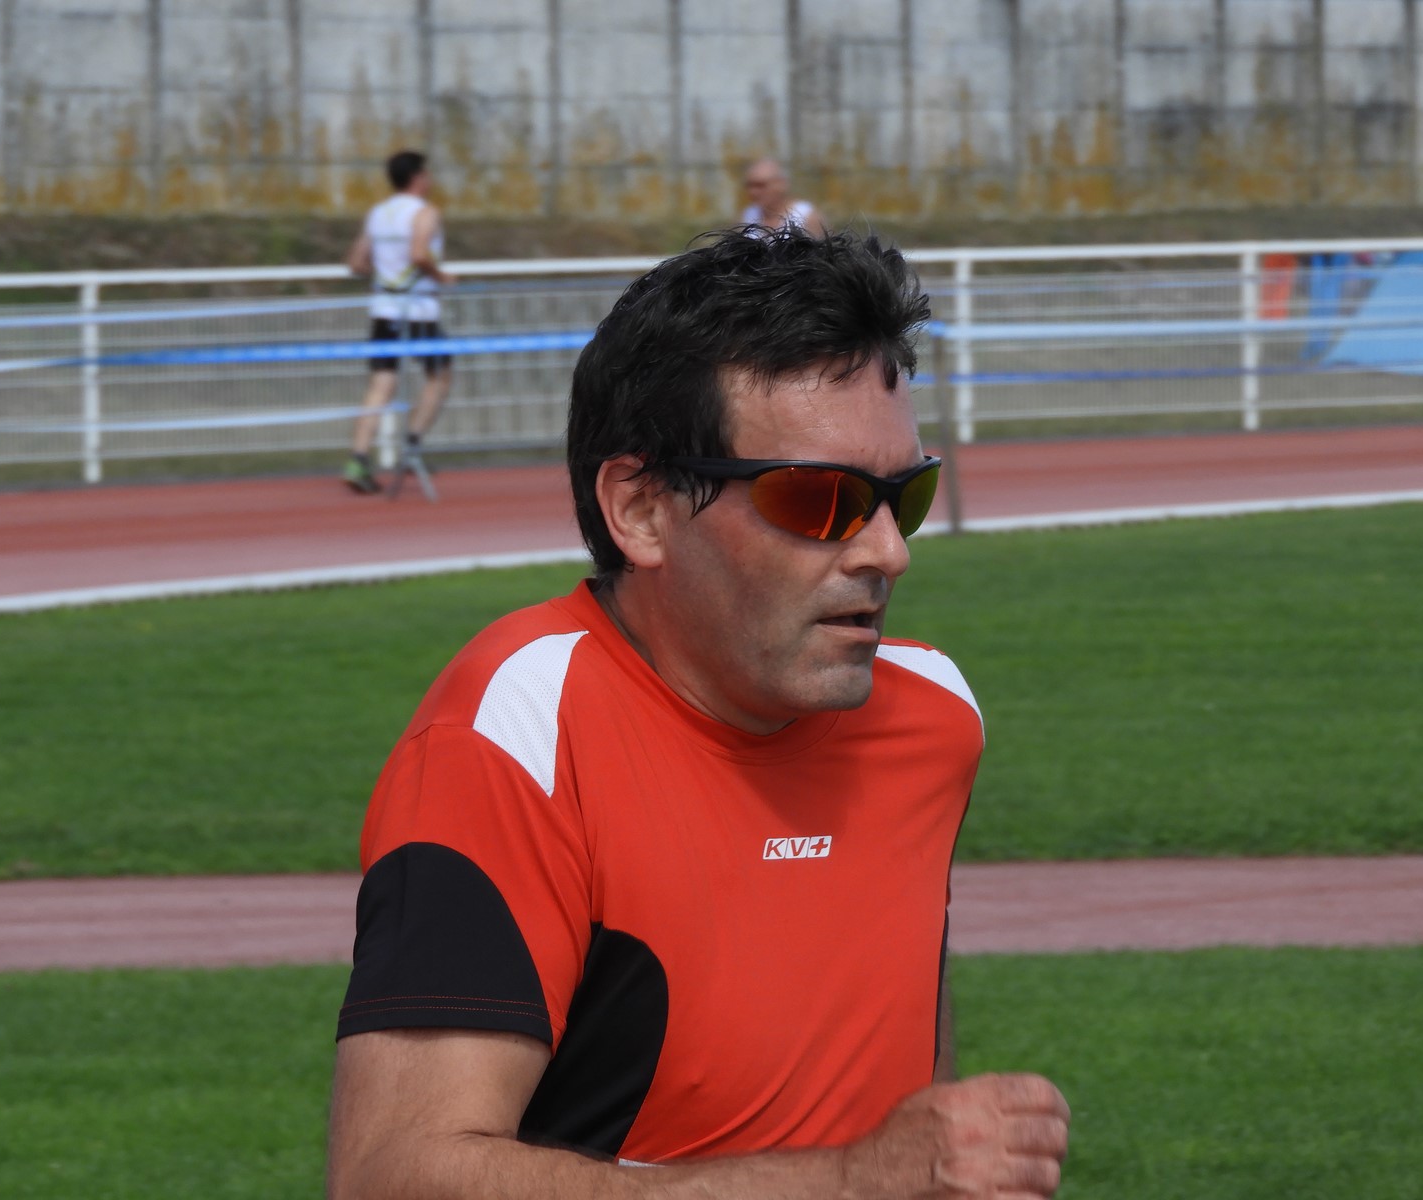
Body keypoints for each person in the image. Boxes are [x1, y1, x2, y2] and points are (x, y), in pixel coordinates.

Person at [327, 228, 1070, 1199]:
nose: (888, 551)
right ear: (640, 508)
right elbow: (389, 1175)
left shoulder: (934, 716)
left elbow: (900, 1089)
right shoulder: (514, 737)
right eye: (821, 499)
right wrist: (848, 1183)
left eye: (904, 494)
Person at [342, 149, 456, 494]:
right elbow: (419, 254)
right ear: (418, 177)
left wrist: (386, 272)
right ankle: (412, 443)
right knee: (440, 375)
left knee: (381, 384)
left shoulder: (378, 213)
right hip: (418, 309)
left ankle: (358, 458)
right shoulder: (424, 212)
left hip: (383, 308)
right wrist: (441, 276)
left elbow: (357, 263)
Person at [738, 157, 829, 237]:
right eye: (749, 186)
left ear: (781, 184)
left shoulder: (807, 216)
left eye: (761, 185)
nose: (753, 192)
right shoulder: (747, 215)